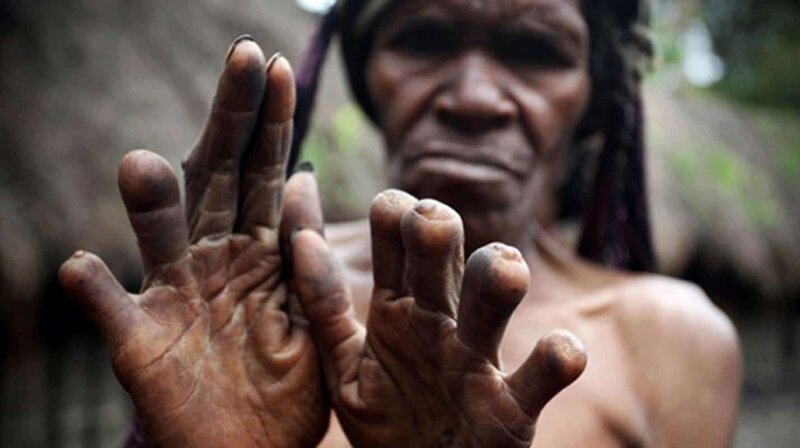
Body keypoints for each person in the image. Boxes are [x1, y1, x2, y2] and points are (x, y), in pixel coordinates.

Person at [58, 0, 742, 446]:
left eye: (535, 51)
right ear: (367, 74)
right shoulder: (244, 317)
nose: (474, 99)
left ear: (592, 97)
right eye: (425, 39)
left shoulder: (671, 340)